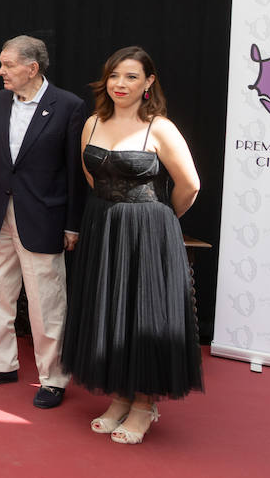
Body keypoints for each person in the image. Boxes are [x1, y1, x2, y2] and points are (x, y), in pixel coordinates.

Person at [61, 46, 201, 445]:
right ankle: (120, 397)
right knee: (112, 312)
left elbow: (190, 185)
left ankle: (144, 404)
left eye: (132, 77)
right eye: (115, 76)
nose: (120, 84)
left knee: (142, 316)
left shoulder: (160, 128)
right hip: (103, 225)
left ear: (149, 83)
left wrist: (160, 220)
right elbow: (92, 177)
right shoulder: (92, 123)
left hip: (149, 230)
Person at [0, 36, 85, 409]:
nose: (0, 71)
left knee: (46, 301)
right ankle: (0, 365)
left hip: (43, 217)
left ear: (32, 68)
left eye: (7, 65)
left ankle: (53, 378)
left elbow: (74, 170)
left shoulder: (68, 106)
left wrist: (73, 224)